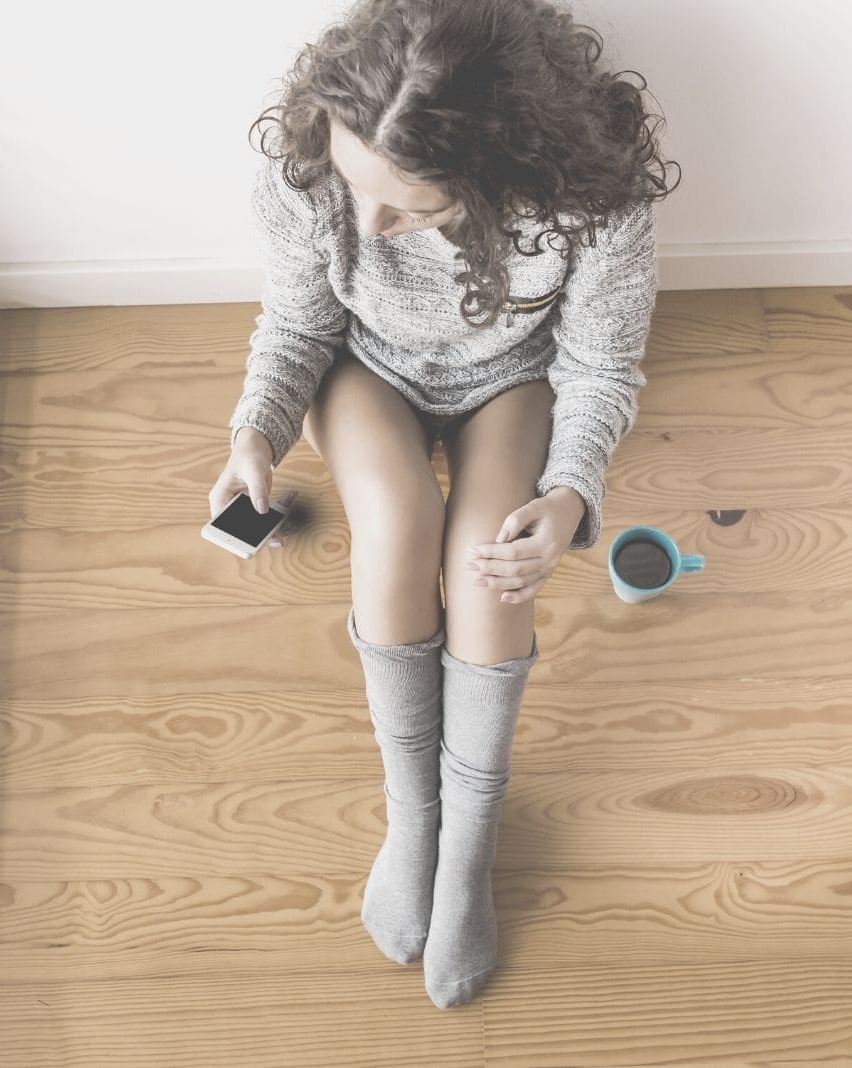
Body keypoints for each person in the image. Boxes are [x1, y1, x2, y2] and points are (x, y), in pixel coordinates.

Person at [205, 0, 678, 1009]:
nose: (373, 224)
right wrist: (255, 435)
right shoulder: (313, 177)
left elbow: (600, 364)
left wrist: (568, 494)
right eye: (357, 190)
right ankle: (412, 815)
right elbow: (295, 325)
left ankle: (469, 838)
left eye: (412, 208)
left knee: (488, 566)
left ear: (498, 169)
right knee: (393, 527)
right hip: (363, 371)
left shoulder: (591, 208)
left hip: (512, 379)